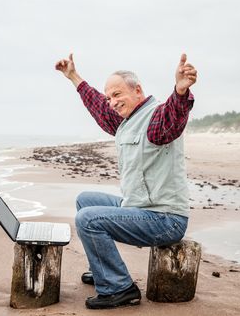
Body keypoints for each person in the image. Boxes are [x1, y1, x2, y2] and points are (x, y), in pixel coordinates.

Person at [54, 53, 198, 309]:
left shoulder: (155, 118)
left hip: (164, 219)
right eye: (110, 96)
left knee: (88, 219)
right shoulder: (128, 120)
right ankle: (102, 269)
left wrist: (180, 91)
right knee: (85, 200)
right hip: (140, 208)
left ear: (138, 90)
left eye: (118, 94)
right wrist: (73, 77)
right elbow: (98, 105)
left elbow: (172, 118)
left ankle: (119, 288)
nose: (112, 102)